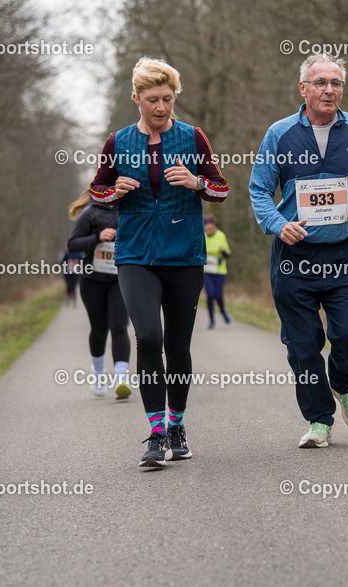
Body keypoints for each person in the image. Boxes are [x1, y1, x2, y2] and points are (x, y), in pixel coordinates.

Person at [89, 57, 228, 467]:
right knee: (148, 337)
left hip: (184, 254)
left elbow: (220, 189)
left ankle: (177, 423)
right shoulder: (118, 142)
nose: (161, 107)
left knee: (177, 344)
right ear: (136, 98)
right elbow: (95, 189)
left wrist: (197, 183)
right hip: (135, 254)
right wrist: (113, 191)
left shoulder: (193, 138)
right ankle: (155, 432)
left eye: (168, 99)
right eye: (152, 100)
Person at [249, 54, 348, 449]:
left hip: (344, 255)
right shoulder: (279, 134)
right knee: (302, 345)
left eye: (336, 83)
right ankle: (319, 421)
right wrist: (279, 225)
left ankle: (344, 385)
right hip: (295, 258)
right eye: (321, 82)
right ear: (303, 88)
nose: (330, 89)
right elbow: (259, 189)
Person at [66, 190, 130, 398]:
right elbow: (73, 243)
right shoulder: (90, 212)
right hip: (92, 281)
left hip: (119, 279)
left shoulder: (130, 209)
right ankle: (99, 374)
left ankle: (121, 379)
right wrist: (97, 238)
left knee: (119, 326)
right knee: (99, 329)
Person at [203, 215, 232, 329]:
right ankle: (211, 321)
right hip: (207, 271)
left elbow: (227, 254)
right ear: (204, 227)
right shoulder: (203, 237)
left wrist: (222, 253)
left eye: (210, 225)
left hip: (220, 271)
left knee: (218, 296)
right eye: (206, 225)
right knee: (210, 295)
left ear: (214, 226)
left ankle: (223, 312)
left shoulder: (221, 236)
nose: (209, 227)